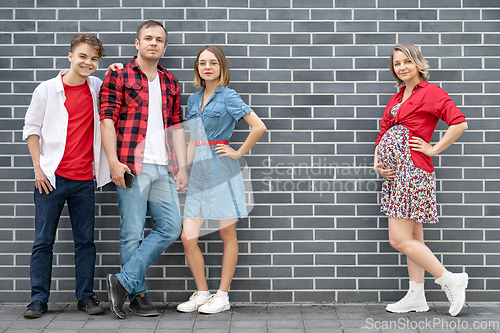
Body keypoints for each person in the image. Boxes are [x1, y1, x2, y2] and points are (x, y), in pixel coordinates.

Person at [99, 20, 188, 319]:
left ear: (165, 47)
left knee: (171, 227)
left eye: (159, 39)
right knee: (132, 233)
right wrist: (113, 161)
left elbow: (176, 127)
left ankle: (122, 281)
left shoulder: (171, 82)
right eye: (147, 38)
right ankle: (137, 296)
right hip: (131, 166)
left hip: (162, 167)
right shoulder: (119, 75)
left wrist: (181, 167)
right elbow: (107, 119)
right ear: (137, 43)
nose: (153, 43)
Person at [374, 43, 469, 317]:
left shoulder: (431, 92)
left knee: (399, 239)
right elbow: (383, 133)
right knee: (414, 237)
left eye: (406, 62)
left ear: (417, 63)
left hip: (413, 171)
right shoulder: (396, 97)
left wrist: (434, 148)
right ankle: (416, 295)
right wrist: (378, 163)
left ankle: (450, 279)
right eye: (397, 64)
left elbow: (459, 123)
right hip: (394, 175)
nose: (401, 67)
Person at [22, 34, 111, 318]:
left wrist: (118, 67)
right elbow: (31, 129)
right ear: (70, 56)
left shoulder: (96, 87)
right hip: (51, 179)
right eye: (83, 56)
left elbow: (115, 78)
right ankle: (38, 299)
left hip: (84, 179)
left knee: (85, 241)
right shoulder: (47, 89)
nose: (88, 63)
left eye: (94, 59)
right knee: (43, 241)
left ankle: (86, 297)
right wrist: (38, 168)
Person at [176, 45, 266, 314]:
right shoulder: (193, 100)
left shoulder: (228, 96)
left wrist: (237, 152)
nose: (207, 67)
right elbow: (193, 138)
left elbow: (258, 126)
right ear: (198, 69)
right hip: (199, 174)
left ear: (221, 67)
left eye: (213, 63)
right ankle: (203, 292)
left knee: (227, 234)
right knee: (188, 236)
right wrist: (183, 170)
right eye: (202, 63)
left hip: (222, 170)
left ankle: (222, 295)